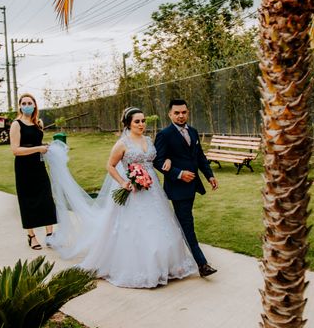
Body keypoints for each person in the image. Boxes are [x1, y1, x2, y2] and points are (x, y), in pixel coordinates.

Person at [44, 107, 198, 288]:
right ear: (128, 124)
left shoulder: (148, 139)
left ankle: (169, 265)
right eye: (137, 121)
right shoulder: (122, 143)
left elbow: (157, 159)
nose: (141, 124)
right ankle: (143, 269)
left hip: (153, 189)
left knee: (161, 223)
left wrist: (169, 161)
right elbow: (110, 165)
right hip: (133, 190)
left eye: (143, 121)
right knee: (135, 228)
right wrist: (124, 182)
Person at [154, 99, 219, 277]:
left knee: (180, 224)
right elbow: (158, 161)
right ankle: (202, 264)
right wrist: (179, 173)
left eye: (184, 112)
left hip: (192, 186)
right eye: (177, 113)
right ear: (169, 114)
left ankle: (175, 257)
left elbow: (199, 157)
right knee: (186, 224)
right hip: (177, 188)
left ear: (187, 112)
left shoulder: (194, 132)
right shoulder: (164, 135)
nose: (181, 115)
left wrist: (210, 175)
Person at [9, 93, 57, 250]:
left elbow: (37, 142)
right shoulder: (16, 124)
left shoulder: (38, 123)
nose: (27, 105)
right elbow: (15, 150)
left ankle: (50, 235)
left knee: (46, 198)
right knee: (28, 201)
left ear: (35, 105)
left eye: (30, 102)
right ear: (20, 106)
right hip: (24, 168)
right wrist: (38, 148)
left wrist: (45, 147)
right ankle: (32, 236)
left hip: (39, 166)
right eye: (24, 103)